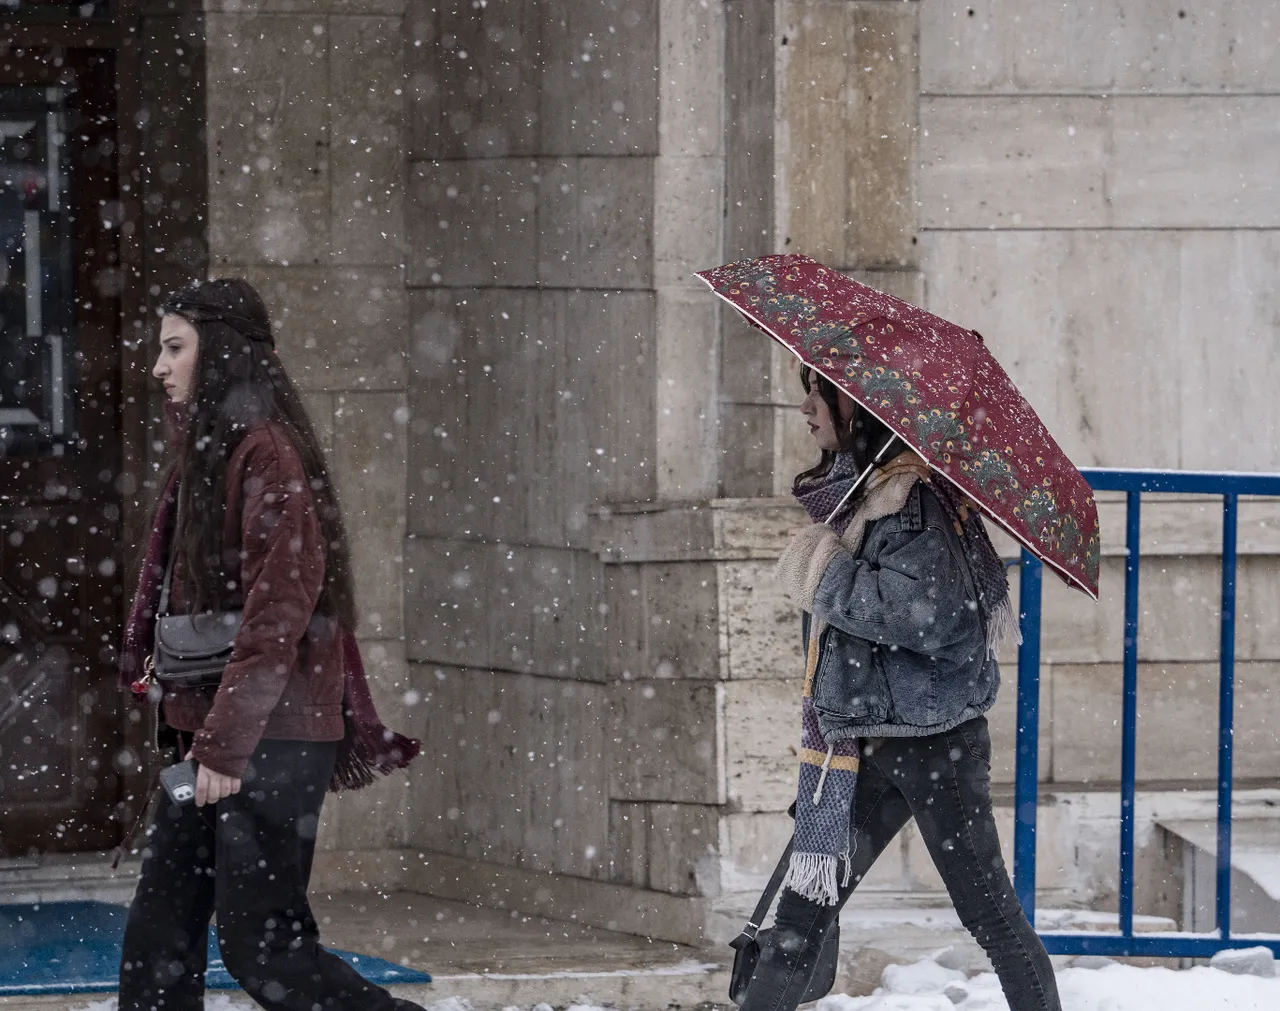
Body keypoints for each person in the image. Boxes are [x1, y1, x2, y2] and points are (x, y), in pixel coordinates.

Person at [116, 278, 420, 1011]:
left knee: (267, 950)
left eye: (174, 347)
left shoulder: (266, 454)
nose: (158, 366)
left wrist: (224, 747)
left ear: (219, 352)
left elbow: (276, 613)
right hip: (217, 732)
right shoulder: (211, 450)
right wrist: (207, 739)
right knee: (159, 938)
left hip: (270, 735)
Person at [742, 366, 1062, 1011]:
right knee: (803, 914)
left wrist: (824, 570)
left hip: (930, 740)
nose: (805, 407)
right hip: (860, 735)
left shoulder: (911, 500)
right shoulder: (866, 495)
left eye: (819, 393)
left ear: (856, 410)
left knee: (989, 915)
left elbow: (924, 616)